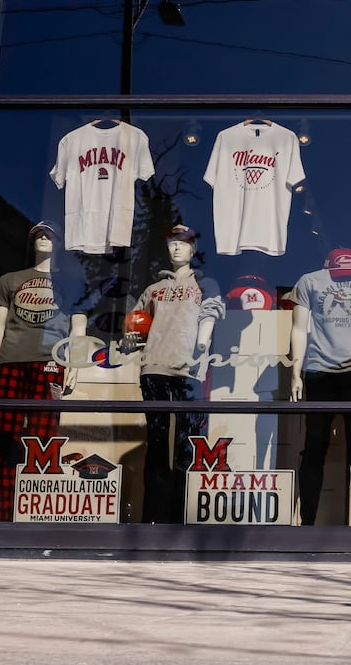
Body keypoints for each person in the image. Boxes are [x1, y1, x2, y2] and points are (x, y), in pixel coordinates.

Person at [0, 222, 84, 522]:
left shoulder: (72, 283)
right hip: (10, 363)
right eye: (38, 235)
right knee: (4, 439)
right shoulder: (9, 280)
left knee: (43, 438)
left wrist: (74, 365)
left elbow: (78, 328)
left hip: (49, 363)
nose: (43, 239)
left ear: (59, 243)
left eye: (49, 235)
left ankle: (35, 515)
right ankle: (0, 516)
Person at [121, 224, 225, 523]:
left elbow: (211, 313)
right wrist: (131, 336)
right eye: (172, 243)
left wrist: (201, 345)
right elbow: (134, 328)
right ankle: (153, 517)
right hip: (154, 368)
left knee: (187, 443)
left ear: (193, 249)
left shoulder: (205, 283)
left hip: (189, 371)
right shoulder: (152, 290)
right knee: (156, 441)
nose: (177, 247)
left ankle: (180, 517)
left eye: (183, 243)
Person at [288, 248, 351, 525]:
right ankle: (307, 522)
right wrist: (295, 373)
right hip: (319, 373)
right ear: (327, 269)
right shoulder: (310, 281)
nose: (344, 279)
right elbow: (298, 328)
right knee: (314, 447)